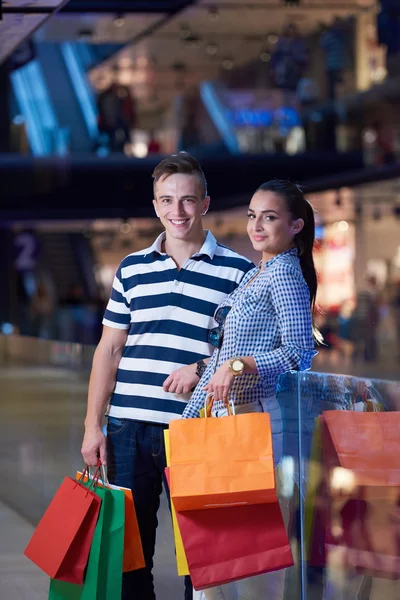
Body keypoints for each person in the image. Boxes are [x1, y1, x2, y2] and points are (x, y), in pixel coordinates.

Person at [81, 152, 253, 600]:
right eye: (167, 200)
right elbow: (109, 349)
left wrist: (200, 368)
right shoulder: (132, 268)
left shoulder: (239, 273)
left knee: (202, 557)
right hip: (126, 428)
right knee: (129, 556)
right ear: (156, 205)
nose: (178, 211)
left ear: (205, 202)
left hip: (198, 428)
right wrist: (91, 426)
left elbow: (248, 353)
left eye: (188, 200)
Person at [181, 179, 319, 600]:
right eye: (253, 216)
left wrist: (238, 365)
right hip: (223, 418)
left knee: (245, 555)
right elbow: (239, 346)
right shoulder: (259, 271)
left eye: (270, 217)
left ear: (295, 225)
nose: (257, 226)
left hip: (251, 419)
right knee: (215, 553)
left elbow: (300, 351)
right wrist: (207, 368)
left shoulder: (284, 273)